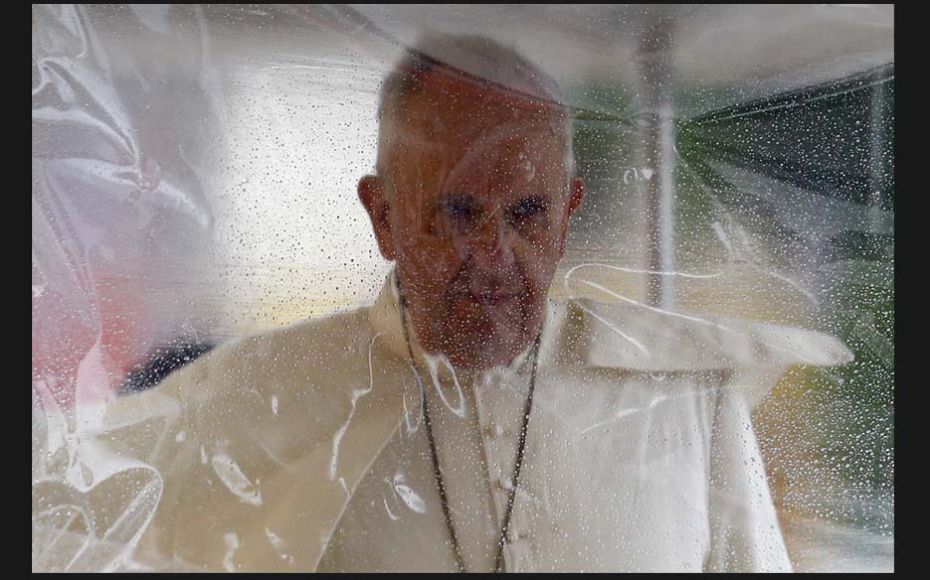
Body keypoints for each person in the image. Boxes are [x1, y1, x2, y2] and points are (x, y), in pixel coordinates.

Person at [85, 34, 853, 572]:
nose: (494, 256)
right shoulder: (256, 397)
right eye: (457, 213)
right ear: (383, 216)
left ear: (567, 215)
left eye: (526, 216)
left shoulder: (684, 396)